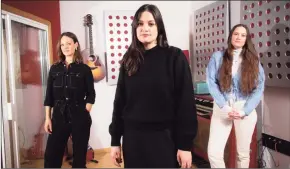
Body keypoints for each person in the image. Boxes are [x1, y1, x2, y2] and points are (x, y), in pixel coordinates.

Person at [108, 4, 198, 168]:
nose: (145, 28)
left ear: (159, 27)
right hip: (133, 139)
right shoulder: (129, 60)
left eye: (151, 23)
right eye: (140, 24)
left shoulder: (175, 57)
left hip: (164, 139)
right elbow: (119, 102)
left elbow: (185, 104)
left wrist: (185, 145)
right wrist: (115, 140)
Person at [206, 24, 265, 168]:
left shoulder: (253, 60)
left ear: (247, 39)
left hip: (244, 108)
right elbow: (211, 82)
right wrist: (224, 106)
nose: (239, 37)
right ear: (231, 36)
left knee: (243, 154)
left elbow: (259, 87)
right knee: (213, 152)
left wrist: (244, 111)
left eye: (243, 35)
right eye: (236, 34)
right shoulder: (218, 57)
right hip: (223, 107)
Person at [43, 32, 95, 168]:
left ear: (76, 45)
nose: (65, 47)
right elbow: (49, 96)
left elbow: (91, 95)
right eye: (62, 44)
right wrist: (48, 118)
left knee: (79, 158)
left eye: (69, 43)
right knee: (51, 156)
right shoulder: (54, 69)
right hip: (59, 117)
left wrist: (84, 112)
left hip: (79, 115)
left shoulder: (84, 69)